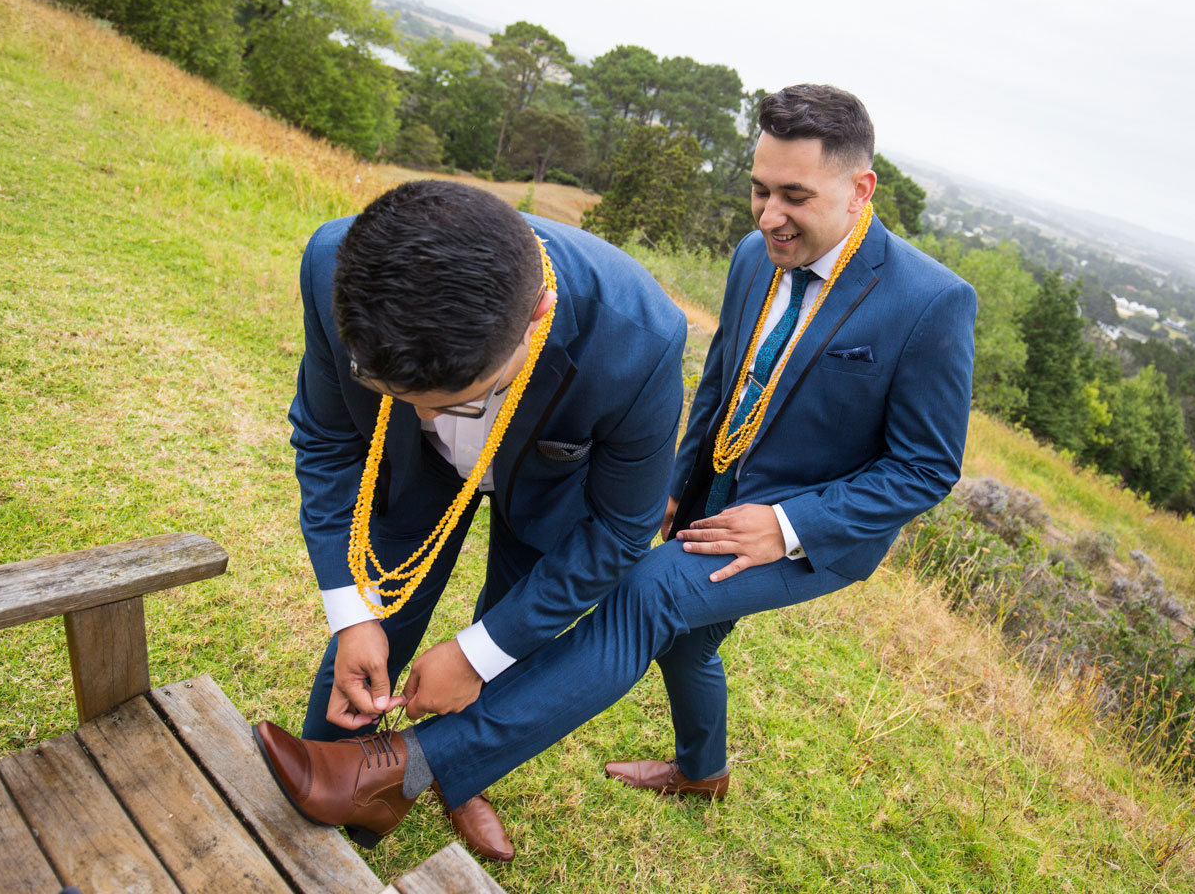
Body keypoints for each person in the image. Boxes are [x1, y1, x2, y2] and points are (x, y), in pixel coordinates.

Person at [256, 83, 978, 849]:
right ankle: (700, 770)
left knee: (643, 594)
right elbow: (726, 385)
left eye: (793, 196)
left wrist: (789, 525)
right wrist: (672, 487)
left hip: (805, 529)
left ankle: (411, 771)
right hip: (709, 495)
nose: (768, 216)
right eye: (759, 190)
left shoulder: (932, 303)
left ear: (859, 188)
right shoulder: (754, 255)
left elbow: (928, 467)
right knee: (687, 638)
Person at [285, 179, 687, 860]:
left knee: (506, 627)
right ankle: (320, 784)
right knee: (380, 615)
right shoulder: (334, 262)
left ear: (539, 314)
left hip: (547, 491)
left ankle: (453, 774)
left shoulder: (638, 339)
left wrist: (477, 654)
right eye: (398, 396)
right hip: (413, 483)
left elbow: (620, 529)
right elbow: (325, 441)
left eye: (462, 402)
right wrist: (351, 614)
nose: (430, 422)